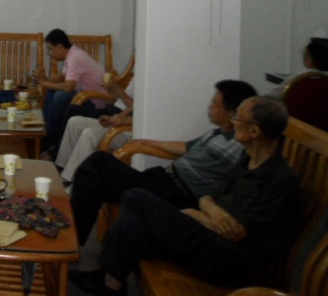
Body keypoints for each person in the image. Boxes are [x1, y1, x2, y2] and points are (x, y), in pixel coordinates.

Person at [70, 96, 300, 295]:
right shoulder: (248, 160)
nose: (234, 121)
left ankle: (107, 281)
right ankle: (110, 284)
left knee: (136, 198)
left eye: (239, 118)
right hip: (208, 235)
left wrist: (196, 213)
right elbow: (208, 198)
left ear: (254, 131)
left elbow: (234, 233)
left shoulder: (279, 180)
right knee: (134, 219)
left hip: (229, 259)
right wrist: (209, 210)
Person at [70, 79, 257, 246]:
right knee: (92, 183)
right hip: (162, 179)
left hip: (176, 192)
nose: (210, 107)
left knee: (99, 160)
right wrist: (147, 142)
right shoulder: (216, 134)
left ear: (232, 113)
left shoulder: (240, 145)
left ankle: (71, 240)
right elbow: (184, 147)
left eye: (215, 104)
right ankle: (72, 243)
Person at [36, 29, 105, 159]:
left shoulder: (75, 58)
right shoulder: (72, 54)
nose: (49, 53)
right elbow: (62, 77)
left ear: (59, 47)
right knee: (52, 90)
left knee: (60, 96)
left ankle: (52, 140)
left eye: (50, 49)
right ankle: (49, 135)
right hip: (83, 95)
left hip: (96, 101)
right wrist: (44, 78)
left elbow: (68, 88)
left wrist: (44, 83)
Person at [56, 78, 134, 187]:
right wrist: (117, 117)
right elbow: (133, 107)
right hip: (120, 117)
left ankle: (73, 184)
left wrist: (125, 120)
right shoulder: (138, 77)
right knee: (74, 122)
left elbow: (143, 114)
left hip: (131, 130)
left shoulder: (151, 81)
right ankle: (62, 168)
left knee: (89, 134)